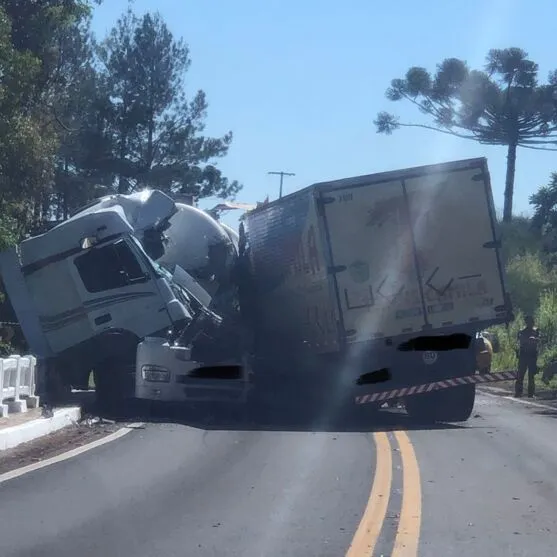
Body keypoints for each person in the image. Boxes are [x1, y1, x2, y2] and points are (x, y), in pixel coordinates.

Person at [515, 315, 540, 398]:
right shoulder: (522, 331)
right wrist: (529, 340)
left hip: (532, 355)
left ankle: (531, 393)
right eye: (529, 321)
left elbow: (539, 340)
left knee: (531, 375)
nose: (531, 323)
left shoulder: (536, 331)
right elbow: (520, 341)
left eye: (531, 321)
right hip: (524, 355)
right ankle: (518, 392)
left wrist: (534, 339)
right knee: (520, 375)